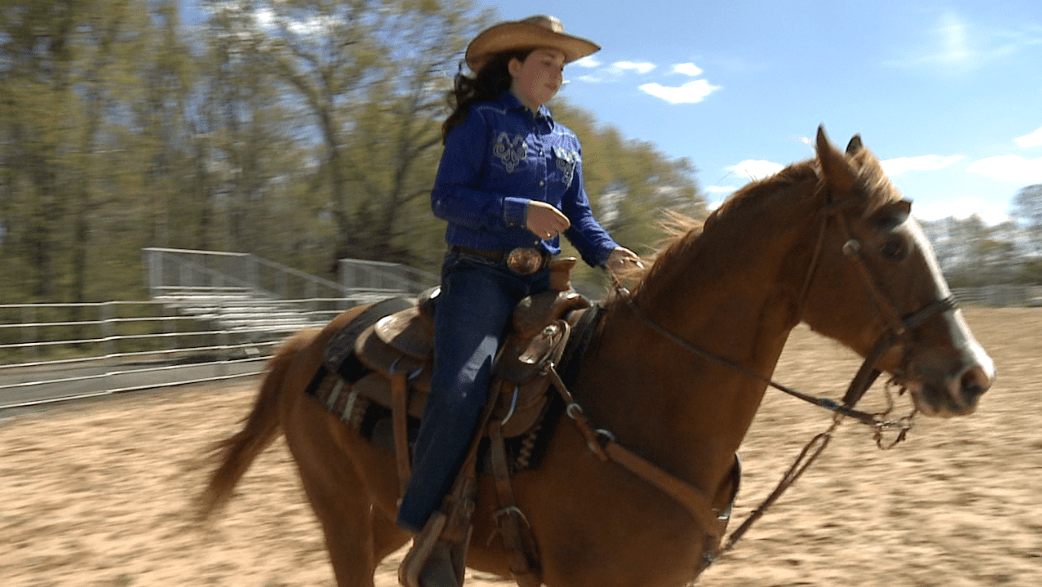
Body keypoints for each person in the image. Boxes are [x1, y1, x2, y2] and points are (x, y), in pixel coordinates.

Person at [395, 14, 640, 587]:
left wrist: (608, 253)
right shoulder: (478, 122)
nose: (556, 74)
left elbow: (578, 214)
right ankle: (428, 526)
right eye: (545, 62)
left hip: (545, 281)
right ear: (514, 66)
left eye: (561, 66)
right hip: (480, 275)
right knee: (461, 387)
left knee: (606, 368)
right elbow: (445, 199)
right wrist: (515, 211)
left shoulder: (566, 141)